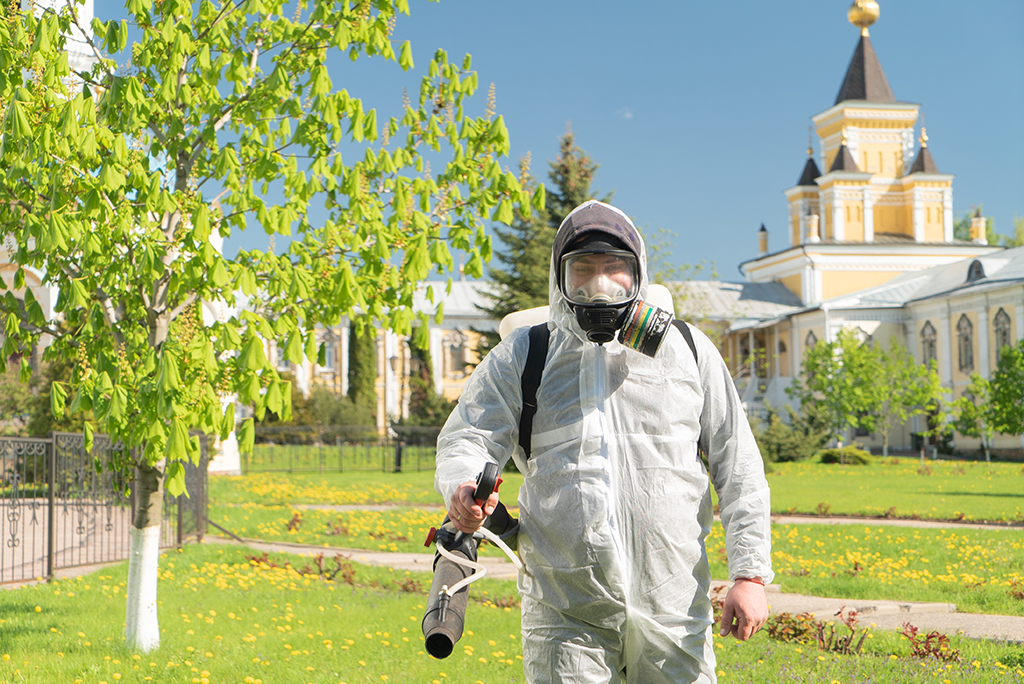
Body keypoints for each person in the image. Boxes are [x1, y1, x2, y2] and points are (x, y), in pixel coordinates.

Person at [434, 200, 773, 684]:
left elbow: (738, 466)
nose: (600, 285)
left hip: (673, 606)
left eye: (615, 269)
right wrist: (464, 485)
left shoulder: (686, 349)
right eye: (583, 271)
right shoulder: (525, 355)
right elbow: (467, 436)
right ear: (560, 279)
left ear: (638, 275)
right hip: (566, 612)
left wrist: (750, 575)